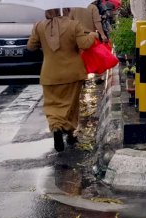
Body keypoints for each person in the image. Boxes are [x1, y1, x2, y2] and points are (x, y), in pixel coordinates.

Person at [27, 8, 99, 152]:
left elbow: (31, 46)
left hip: (50, 74)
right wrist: (93, 35)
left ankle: (56, 127)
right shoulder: (74, 25)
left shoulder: (39, 26)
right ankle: (70, 133)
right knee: (71, 105)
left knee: (52, 105)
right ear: (65, 10)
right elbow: (84, 44)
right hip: (72, 73)